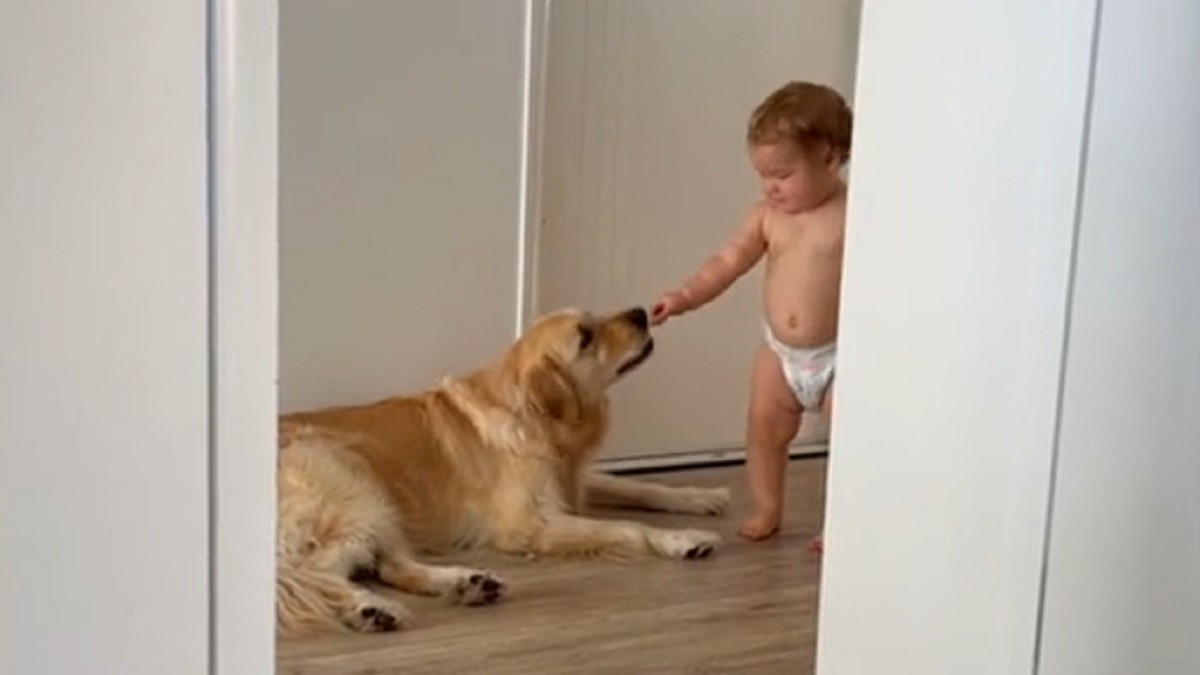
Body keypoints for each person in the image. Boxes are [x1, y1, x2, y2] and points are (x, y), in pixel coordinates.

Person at [650, 81, 851, 545]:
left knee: (851, 441)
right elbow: (726, 262)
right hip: (781, 354)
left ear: (829, 157)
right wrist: (684, 296)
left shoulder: (851, 214)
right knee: (763, 429)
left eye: (782, 174)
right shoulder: (767, 216)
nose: (770, 186)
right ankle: (768, 507)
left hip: (839, 355)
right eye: (763, 175)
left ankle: (840, 522)